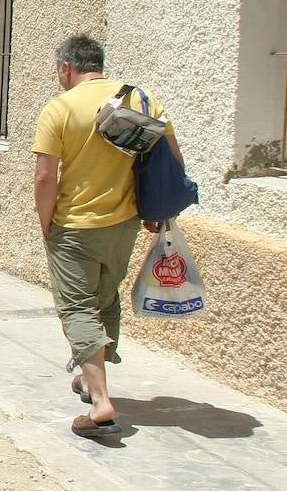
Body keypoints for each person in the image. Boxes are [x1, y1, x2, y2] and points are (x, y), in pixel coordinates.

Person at [33, 35, 179, 439]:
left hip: (75, 226)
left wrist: (46, 223)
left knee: (78, 308)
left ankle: (101, 404)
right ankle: (89, 373)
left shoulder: (60, 108)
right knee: (106, 297)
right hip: (124, 223)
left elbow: (46, 176)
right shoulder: (140, 99)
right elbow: (172, 158)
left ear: (66, 68)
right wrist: (158, 210)